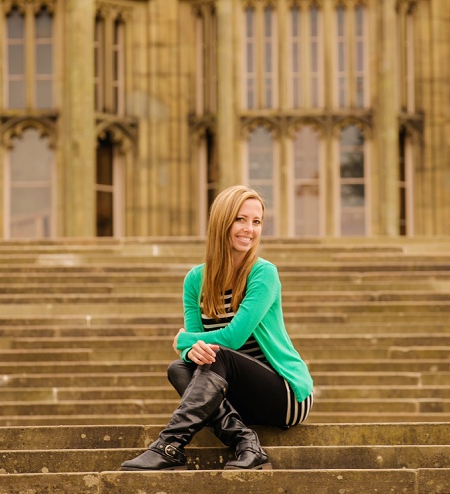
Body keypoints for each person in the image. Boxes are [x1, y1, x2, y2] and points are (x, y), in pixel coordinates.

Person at [121, 185, 314, 471]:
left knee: (219, 354)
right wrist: (188, 349)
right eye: (241, 219)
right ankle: (245, 442)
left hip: (284, 394)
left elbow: (233, 338)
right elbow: (191, 350)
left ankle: (170, 445)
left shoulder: (263, 273)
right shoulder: (195, 280)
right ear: (222, 222)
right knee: (178, 368)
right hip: (235, 394)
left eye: (257, 221)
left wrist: (185, 339)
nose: (249, 229)